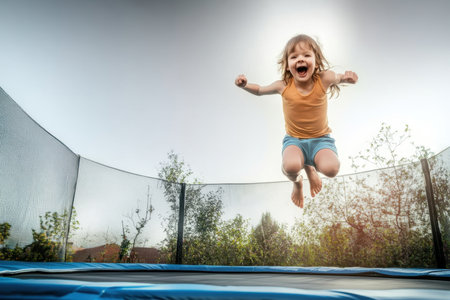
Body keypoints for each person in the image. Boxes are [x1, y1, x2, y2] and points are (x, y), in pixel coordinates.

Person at [235, 34, 358, 208]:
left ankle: (310, 167)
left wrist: (348, 78)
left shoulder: (325, 79)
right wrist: (244, 85)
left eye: (306, 55)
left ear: (316, 60)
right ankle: (298, 182)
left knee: (332, 169)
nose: (300, 59)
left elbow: (340, 78)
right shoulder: (283, 85)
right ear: (287, 65)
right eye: (294, 57)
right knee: (291, 166)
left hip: (321, 140)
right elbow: (260, 90)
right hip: (295, 141)